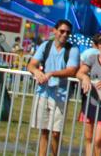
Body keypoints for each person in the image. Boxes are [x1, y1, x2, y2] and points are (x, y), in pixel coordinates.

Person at [26, 20, 81, 156]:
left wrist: (51, 73)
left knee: (56, 132)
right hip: (43, 92)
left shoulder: (72, 49)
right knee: (44, 130)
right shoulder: (46, 45)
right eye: (62, 31)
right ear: (54, 31)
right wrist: (36, 72)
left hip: (61, 94)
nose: (64, 34)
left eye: (67, 32)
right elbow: (31, 64)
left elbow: (71, 70)